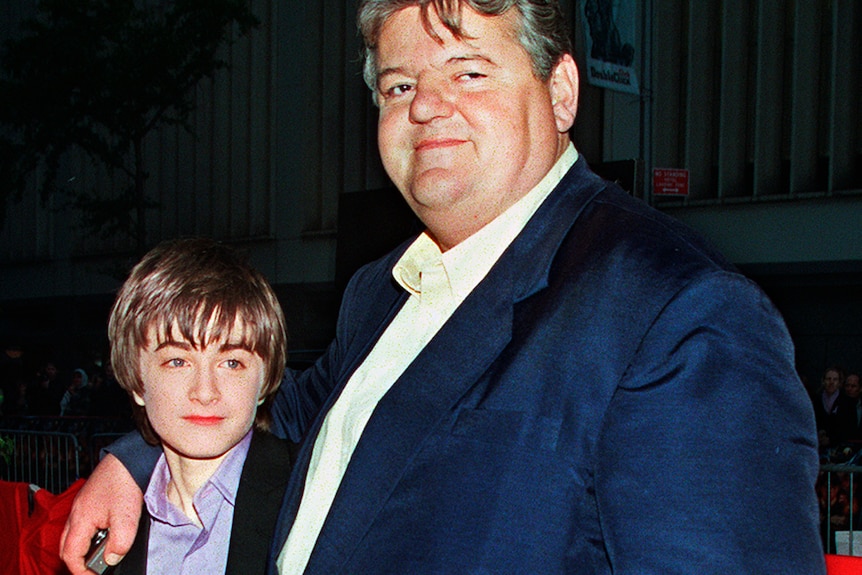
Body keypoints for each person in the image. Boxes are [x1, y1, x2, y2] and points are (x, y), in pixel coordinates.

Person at [62, 1, 824, 573]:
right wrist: (132, 457)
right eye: (398, 86)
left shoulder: (676, 312)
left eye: (467, 71)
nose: (425, 105)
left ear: (561, 92)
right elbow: (269, 411)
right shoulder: (382, 292)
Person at [100, 238, 293, 574]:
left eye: (232, 362)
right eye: (177, 361)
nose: (205, 392)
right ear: (135, 379)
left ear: (265, 379)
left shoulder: (309, 495)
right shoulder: (110, 524)